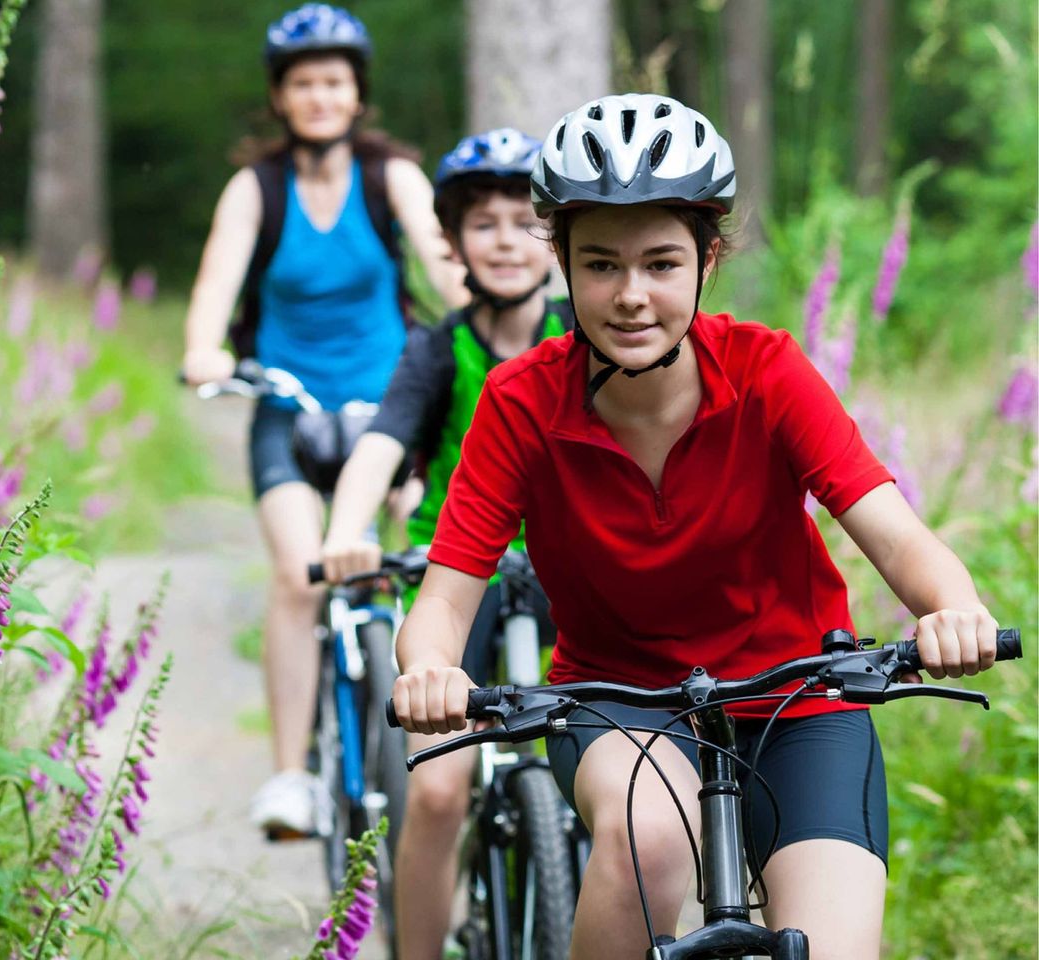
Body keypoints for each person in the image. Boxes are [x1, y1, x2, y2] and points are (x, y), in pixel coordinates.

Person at [389, 93, 1000, 960]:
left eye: (661, 263)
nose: (632, 296)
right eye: (600, 265)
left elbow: (897, 536)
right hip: (616, 702)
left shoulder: (769, 372)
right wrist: (429, 671)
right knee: (650, 842)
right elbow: (447, 596)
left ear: (707, 260)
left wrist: (952, 606)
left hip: (801, 695)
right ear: (560, 260)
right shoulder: (521, 401)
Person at [180, 3, 462, 837]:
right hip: (287, 410)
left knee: (411, 555)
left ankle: (443, 745)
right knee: (298, 572)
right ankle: (290, 778)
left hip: (389, 403)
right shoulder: (255, 189)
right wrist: (204, 353)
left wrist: (487, 317)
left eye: (334, 81)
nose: (319, 97)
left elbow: (447, 269)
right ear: (279, 96)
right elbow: (215, 285)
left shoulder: (393, 179)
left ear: (357, 92)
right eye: (303, 83)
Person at [319, 128, 569, 959]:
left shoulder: (588, 336)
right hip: (454, 576)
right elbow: (383, 446)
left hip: (577, 578)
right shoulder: (437, 350)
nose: (505, 241)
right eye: (483, 223)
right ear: (454, 243)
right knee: (438, 792)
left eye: (523, 222)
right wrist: (346, 532)